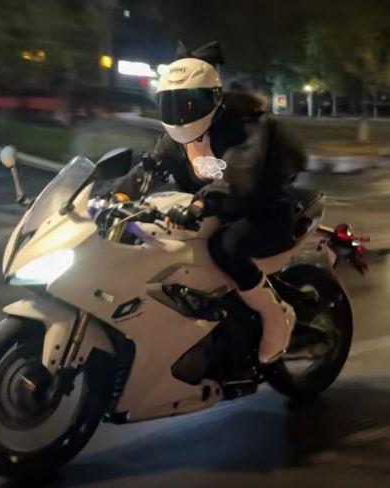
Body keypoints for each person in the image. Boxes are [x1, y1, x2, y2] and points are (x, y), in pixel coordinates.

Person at [111, 41, 306, 364]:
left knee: (225, 247)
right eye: (172, 103)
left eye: (190, 102)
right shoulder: (173, 141)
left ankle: (276, 315)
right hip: (209, 212)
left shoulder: (242, 127)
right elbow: (148, 167)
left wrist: (202, 204)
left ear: (213, 99)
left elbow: (239, 172)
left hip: (262, 210)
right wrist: (116, 194)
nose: (181, 112)